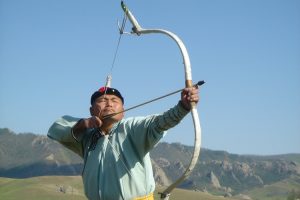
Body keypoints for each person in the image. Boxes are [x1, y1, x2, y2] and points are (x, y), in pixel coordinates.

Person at [47, 85, 200, 200]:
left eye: (115, 101)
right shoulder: (86, 135)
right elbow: (56, 129)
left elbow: (159, 122)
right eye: (102, 100)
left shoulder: (132, 127)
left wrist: (183, 107)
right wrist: (82, 125)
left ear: (123, 110)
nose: (109, 104)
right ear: (92, 110)